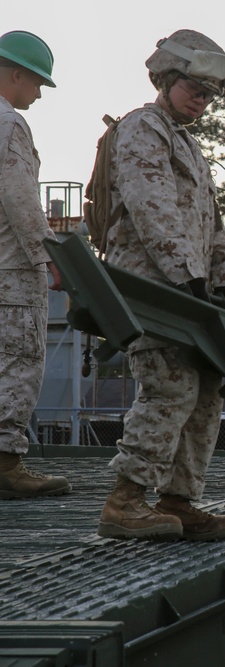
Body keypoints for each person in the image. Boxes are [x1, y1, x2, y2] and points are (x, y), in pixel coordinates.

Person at [96, 30, 225, 540]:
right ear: (165, 80)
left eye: (209, 93)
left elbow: (214, 225)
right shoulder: (143, 129)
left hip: (189, 289)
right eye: (193, 88)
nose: (201, 100)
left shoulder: (189, 145)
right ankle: (126, 499)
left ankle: (179, 499)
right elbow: (151, 209)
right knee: (169, 386)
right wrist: (189, 279)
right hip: (152, 289)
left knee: (206, 390)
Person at [0, 30, 70, 499]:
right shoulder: (9, 125)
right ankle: (5, 464)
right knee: (18, 361)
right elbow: (21, 199)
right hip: (11, 270)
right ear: (16, 73)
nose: (40, 93)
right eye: (38, 82)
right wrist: (52, 257)